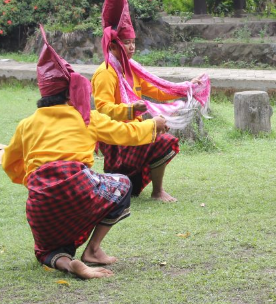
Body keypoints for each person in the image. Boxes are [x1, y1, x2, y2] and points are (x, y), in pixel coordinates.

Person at [1, 27, 167, 279]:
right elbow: (125, 134)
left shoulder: (27, 124)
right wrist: (153, 125)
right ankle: (93, 250)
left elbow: (11, 162)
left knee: (47, 251)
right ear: (70, 93)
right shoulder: (85, 117)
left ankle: (68, 263)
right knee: (121, 184)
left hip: (39, 200)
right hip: (79, 188)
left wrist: (34, 180)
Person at [92, 0, 209, 203]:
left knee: (164, 140)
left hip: (136, 130)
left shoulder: (131, 69)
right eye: (126, 43)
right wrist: (130, 110)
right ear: (114, 46)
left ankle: (154, 190)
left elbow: (156, 90)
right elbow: (103, 110)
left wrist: (186, 87)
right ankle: (151, 190)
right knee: (162, 140)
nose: (132, 47)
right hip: (116, 139)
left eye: (133, 42)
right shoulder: (106, 73)